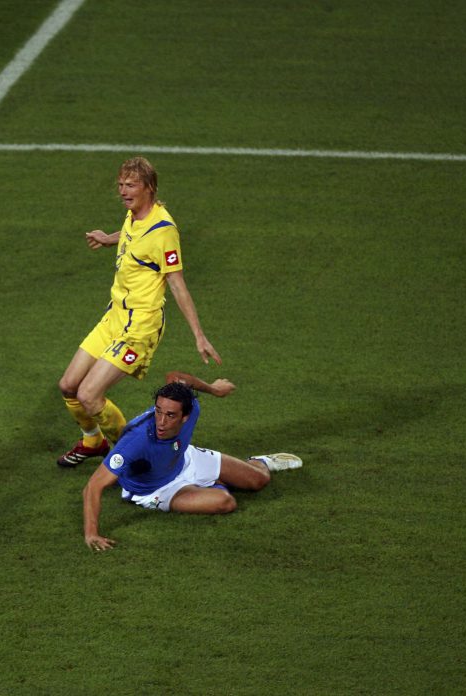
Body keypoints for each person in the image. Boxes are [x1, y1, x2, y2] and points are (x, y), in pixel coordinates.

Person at [57, 157, 220, 468]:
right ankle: (93, 441)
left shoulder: (164, 229)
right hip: (114, 316)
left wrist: (199, 335)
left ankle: (134, 458)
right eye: (120, 185)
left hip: (140, 327)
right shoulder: (133, 216)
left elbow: (177, 284)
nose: (123, 191)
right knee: (69, 386)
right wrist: (109, 239)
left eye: (130, 185)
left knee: (90, 395)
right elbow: (133, 238)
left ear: (149, 188)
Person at [82, 371, 303, 551]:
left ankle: (258, 461)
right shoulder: (135, 441)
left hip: (185, 458)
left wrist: (214, 389)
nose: (160, 421)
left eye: (170, 415)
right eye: (158, 411)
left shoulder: (191, 407)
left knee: (260, 480)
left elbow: (175, 376)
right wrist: (92, 533)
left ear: (185, 416)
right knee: (225, 502)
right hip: (157, 489)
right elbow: (93, 486)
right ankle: (212, 485)